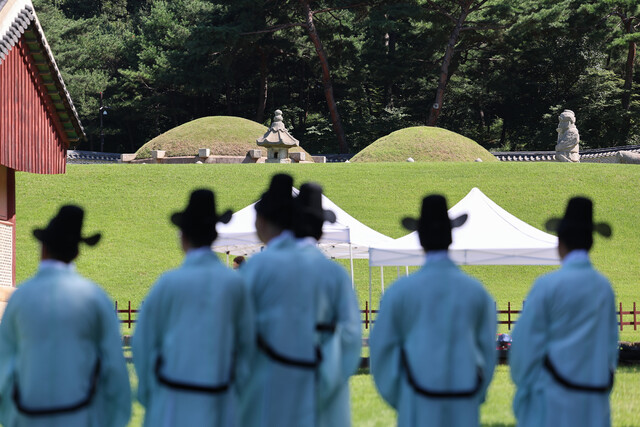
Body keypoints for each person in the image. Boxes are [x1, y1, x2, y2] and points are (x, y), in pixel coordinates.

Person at [370, 194, 496, 427]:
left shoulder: (400, 292)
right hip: (465, 399)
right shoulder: (476, 292)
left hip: (416, 401)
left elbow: (382, 353)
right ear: (451, 236)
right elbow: (488, 352)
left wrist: (402, 397)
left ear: (420, 238)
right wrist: (476, 392)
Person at [0, 205, 131, 427]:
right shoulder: (96, 300)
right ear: (77, 252)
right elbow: (115, 375)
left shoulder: (19, 301)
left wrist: (13, 417)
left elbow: (5, 370)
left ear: (43, 248)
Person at [132, 189, 254, 427]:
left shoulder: (168, 284)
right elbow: (248, 347)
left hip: (173, 402)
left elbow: (144, 343)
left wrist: (150, 393)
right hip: (222, 401)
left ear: (183, 236)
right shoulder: (236, 286)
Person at [510, 196, 617, 427]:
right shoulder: (604, 288)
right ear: (591, 242)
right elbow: (610, 353)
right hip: (593, 402)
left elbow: (523, 346)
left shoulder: (547, 285)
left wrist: (524, 390)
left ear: (560, 241)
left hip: (551, 404)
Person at [238, 174, 321, 427]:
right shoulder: (330, 272)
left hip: (262, 395)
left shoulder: (251, 271)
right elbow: (348, 339)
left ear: (261, 221)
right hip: (317, 392)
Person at [292, 182, 362, 427]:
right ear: (321, 230)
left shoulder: (261, 267)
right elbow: (352, 335)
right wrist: (334, 374)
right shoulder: (335, 274)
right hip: (325, 375)